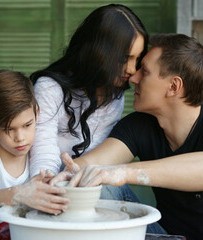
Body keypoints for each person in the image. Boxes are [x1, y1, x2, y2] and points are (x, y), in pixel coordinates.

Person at [51, 34, 203, 240]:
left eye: (145, 71)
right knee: (96, 181)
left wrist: (123, 172)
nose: (133, 78)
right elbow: (90, 166)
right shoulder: (139, 125)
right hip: (167, 237)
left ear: (173, 86)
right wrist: (63, 177)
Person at [29, 4, 148, 201]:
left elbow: (99, 156)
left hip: (85, 185)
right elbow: (43, 151)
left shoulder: (115, 96)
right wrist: (50, 187)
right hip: (51, 187)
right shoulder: (50, 88)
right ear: (99, 52)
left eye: (137, 59)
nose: (132, 69)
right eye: (125, 58)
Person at [0, 70, 69, 240]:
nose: (20, 137)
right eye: (9, 129)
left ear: (37, 113)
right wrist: (22, 193)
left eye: (27, 125)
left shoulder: (39, 160)